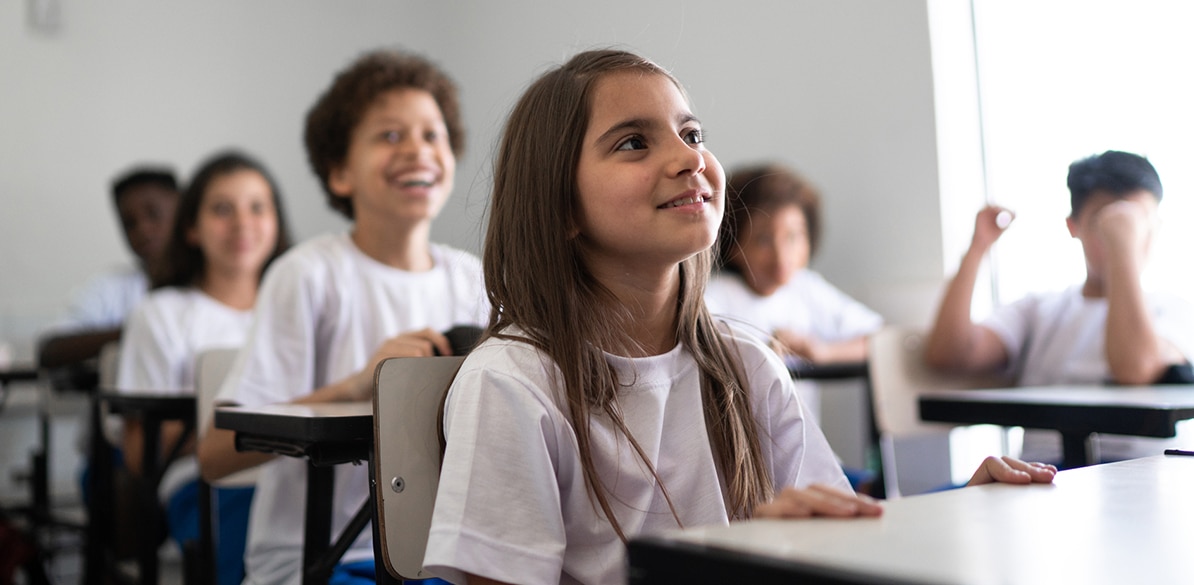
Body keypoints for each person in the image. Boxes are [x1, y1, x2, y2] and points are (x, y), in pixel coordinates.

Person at [422, 49, 1056, 585]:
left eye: (692, 134)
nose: (688, 157)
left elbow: (842, 539)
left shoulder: (749, 363)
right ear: (558, 206)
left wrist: (959, 516)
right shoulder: (513, 383)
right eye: (635, 142)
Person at [196, 49, 486, 585]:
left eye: (432, 134)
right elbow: (215, 458)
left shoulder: (474, 280)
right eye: (390, 136)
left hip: (444, 558)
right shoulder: (306, 274)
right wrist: (357, 386)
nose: (418, 151)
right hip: (318, 559)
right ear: (339, 173)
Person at [924, 150, 1194, 463]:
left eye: (1136, 222)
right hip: (1040, 474)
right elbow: (950, 354)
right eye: (1105, 223)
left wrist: (1122, 250)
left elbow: (1134, 368)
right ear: (1073, 226)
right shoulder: (1040, 309)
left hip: (1137, 477)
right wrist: (977, 248)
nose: (1124, 233)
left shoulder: (1175, 310)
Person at [115, 150, 292, 585]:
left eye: (257, 207)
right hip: (208, 486)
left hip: (298, 475)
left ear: (276, 222)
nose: (242, 223)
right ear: (191, 227)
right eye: (221, 209)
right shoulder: (161, 313)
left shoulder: (297, 310)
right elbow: (140, 451)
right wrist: (257, 428)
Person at [707, 163, 882, 366]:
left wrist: (823, 352)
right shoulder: (715, 297)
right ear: (733, 245)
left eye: (793, 237)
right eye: (763, 240)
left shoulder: (805, 288)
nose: (781, 256)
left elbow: (879, 340)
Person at [39, 166, 181, 369]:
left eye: (154, 214)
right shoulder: (110, 288)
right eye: (129, 223)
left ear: (185, 213)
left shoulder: (215, 282)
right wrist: (139, 331)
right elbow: (49, 349)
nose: (143, 229)